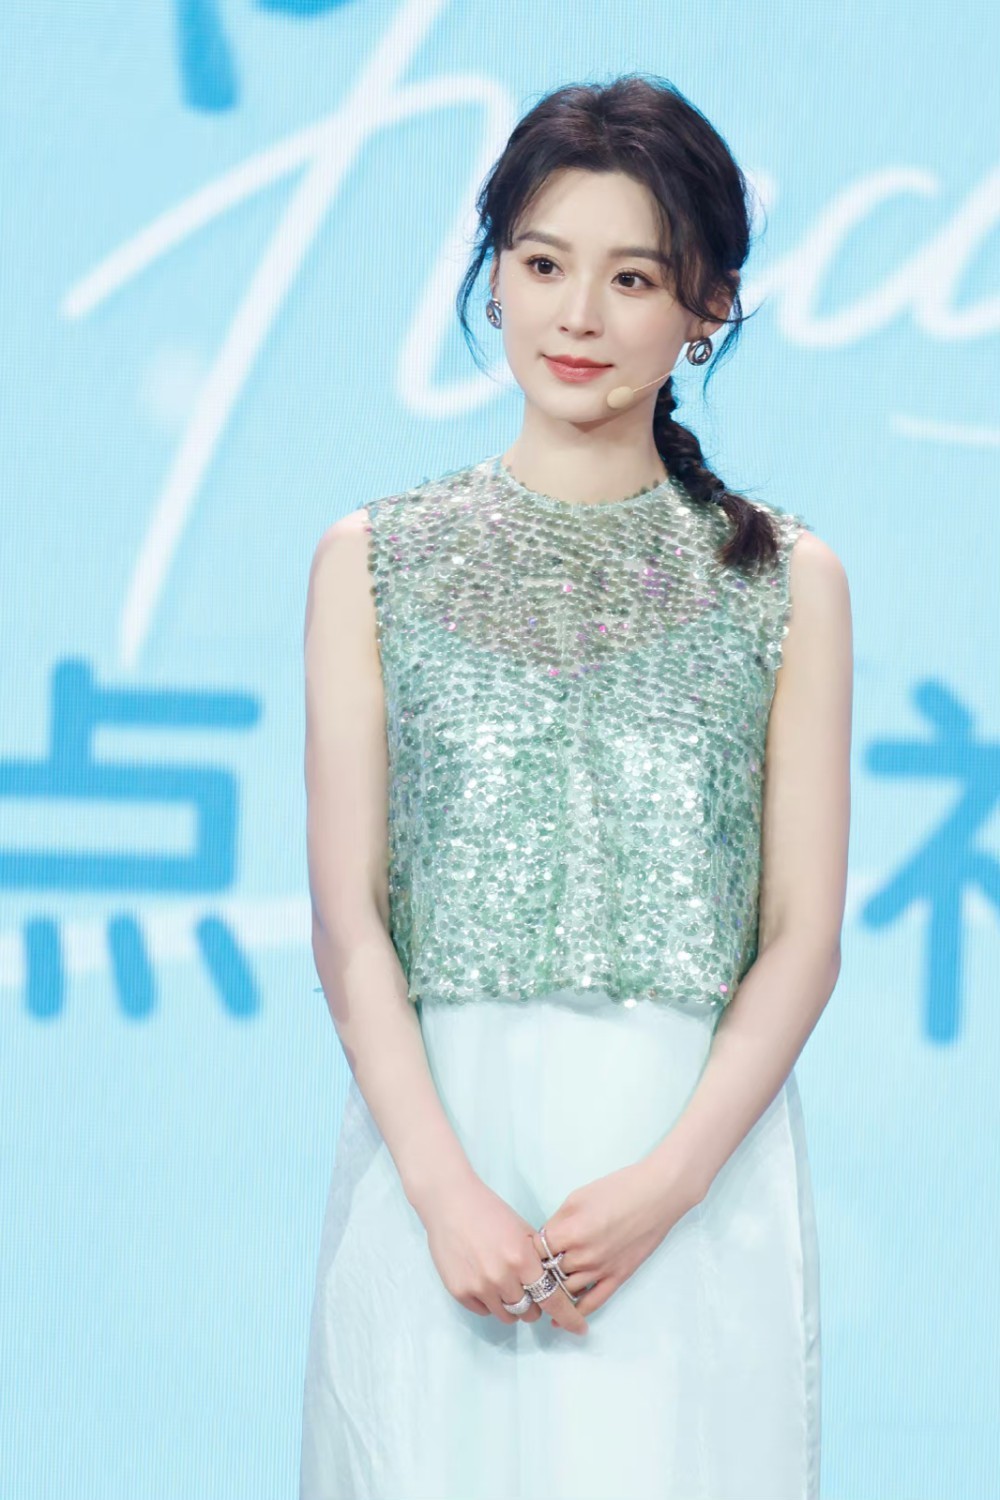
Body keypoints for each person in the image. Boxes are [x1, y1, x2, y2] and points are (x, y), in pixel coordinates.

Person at [299, 73, 852, 1500]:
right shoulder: (373, 561)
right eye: (542, 265)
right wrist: (441, 1192)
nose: (579, 317)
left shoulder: (787, 582)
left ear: (709, 305)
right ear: (493, 280)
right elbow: (351, 920)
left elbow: (801, 938)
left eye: (634, 278)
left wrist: (669, 1188)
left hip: (691, 1178)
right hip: (446, 1164)